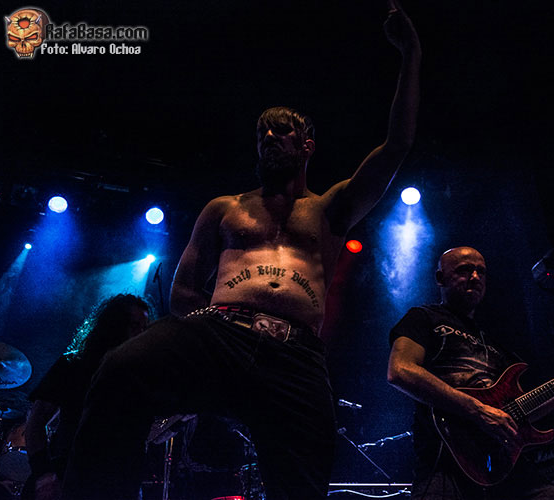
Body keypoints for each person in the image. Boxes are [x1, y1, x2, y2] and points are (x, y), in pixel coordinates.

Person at [61, 2, 420, 499]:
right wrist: (212, 338)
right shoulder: (224, 208)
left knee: (302, 482)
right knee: (121, 369)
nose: (269, 137)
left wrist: (411, 53)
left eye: (282, 130)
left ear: (307, 145)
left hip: (294, 353)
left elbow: (397, 145)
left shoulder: (330, 208)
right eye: (261, 132)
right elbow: (183, 291)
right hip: (221, 331)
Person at [387, 247, 554, 500]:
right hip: (447, 457)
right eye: (464, 270)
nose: (475, 277)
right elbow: (400, 371)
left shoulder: (494, 344)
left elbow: (523, 411)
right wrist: (478, 410)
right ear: (441, 278)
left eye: (481, 272)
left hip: (502, 460)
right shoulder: (423, 317)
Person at [24, 294, 151, 500]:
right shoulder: (75, 364)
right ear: (114, 326)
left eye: (145, 328)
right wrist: (44, 474)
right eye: (135, 326)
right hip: (73, 478)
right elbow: (35, 421)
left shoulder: (141, 376)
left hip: (122, 484)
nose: (141, 334)